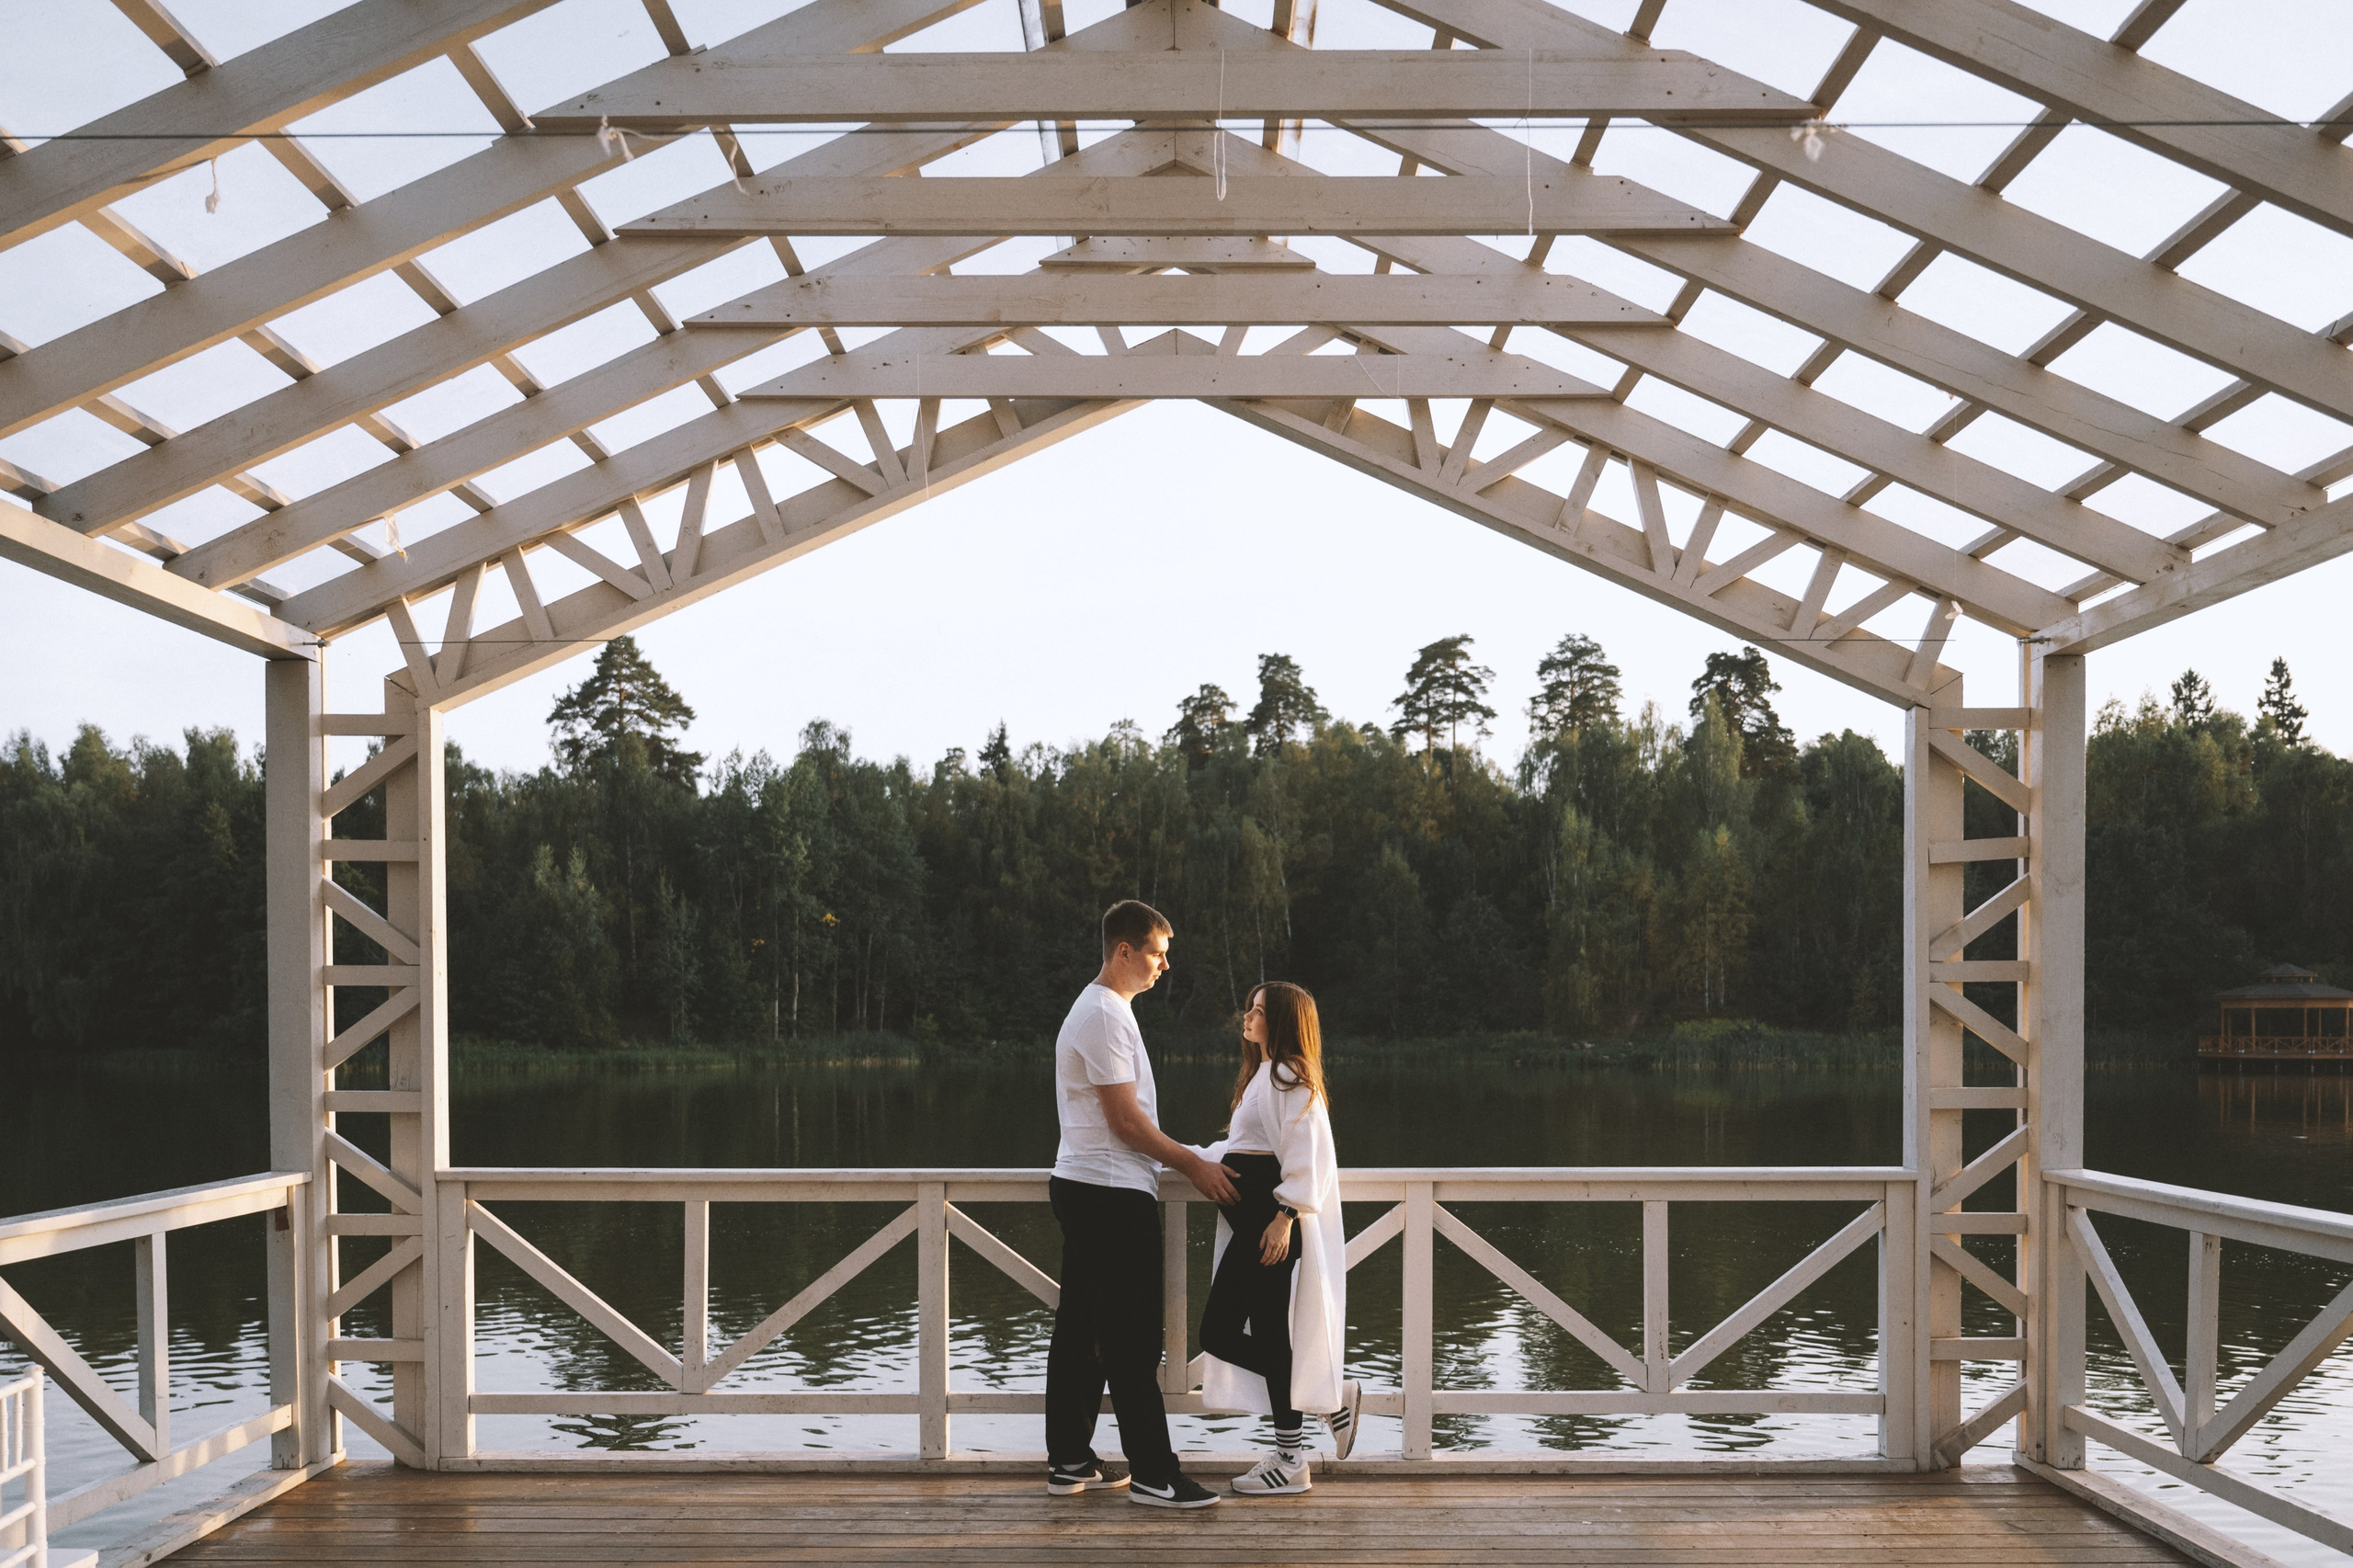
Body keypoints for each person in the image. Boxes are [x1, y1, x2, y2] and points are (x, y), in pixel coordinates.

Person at [1045, 899, 1236, 1510]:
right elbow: (1127, 1123)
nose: (1164, 965)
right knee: (1132, 1338)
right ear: (1123, 951)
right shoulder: (1102, 1014)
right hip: (1107, 1190)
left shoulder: (1105, 1009)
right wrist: (1193, 1164)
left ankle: (1069, 1458)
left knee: (1081, 1328)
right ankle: (1155, 1473)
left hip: (1089, 1185)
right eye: (1157, 953)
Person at [1193, 982, 1360, 1497]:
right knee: (1265, 1336)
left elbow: (1306, 1151)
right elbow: (1240, 1147)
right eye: (1250, 1007)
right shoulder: (1266, 1075)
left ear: (1282, 1023)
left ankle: (1308, 1435)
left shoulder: (1289, 1075)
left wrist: (1285, 1216)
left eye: (1259, 1011)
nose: (1248, 1016)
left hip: (1268, 1224)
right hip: (1256, 1220)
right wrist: (1179, 1154)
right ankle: (1303, 1441)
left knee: (1218, 1333)